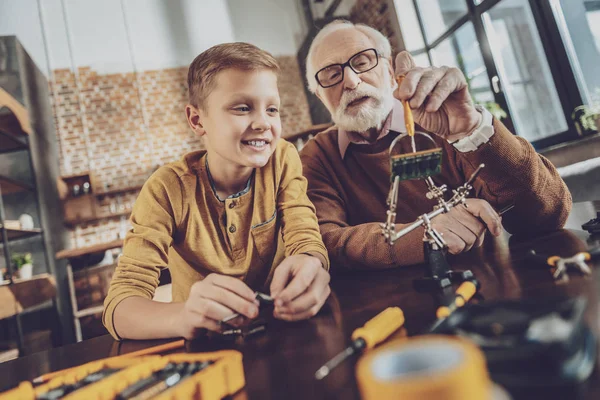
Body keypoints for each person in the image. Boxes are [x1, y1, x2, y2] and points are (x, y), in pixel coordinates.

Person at [103, 42, 331, 341]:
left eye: (272, 109)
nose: (264, 122)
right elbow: (119, 306)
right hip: (207, 344)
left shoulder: (282, 158)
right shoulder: (166, 189)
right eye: (242, 108)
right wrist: (182, 316)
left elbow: (305, 234)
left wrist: (312, 262)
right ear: (197, 120)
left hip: (285, 330)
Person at [300, 20, 571, 269]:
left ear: (390, 68)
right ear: (318, 94)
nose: (350, 81)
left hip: (489, 286)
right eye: (331, 74)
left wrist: (472, 130)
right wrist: (425, 234)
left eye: (362, 62)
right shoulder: (316, 158)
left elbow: (548, 214)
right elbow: (324, 242)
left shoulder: (441, 119)